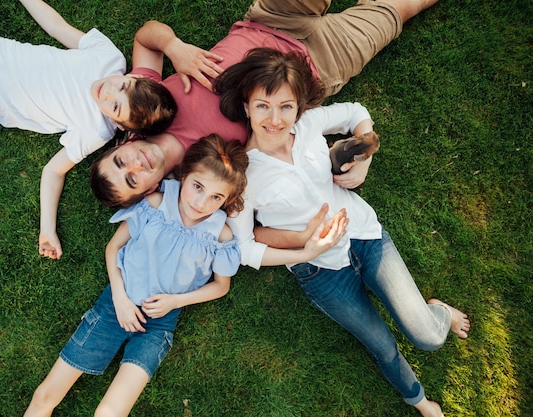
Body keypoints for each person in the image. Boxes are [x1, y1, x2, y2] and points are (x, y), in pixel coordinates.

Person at [217, 48, 471, 417]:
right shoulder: (243, 174)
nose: (275, 120)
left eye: (286, 107)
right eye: (263, 107)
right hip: (320, 271)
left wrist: (364, 158)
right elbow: (243, 247)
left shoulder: (306, 126)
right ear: (246, 107)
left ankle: (438, 313)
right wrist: (303, 251)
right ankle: (418, 399)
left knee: (429, 338)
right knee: (382, 345)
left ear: (298, 106)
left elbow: (355, 113)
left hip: (366, 237)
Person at [89, 0, 442, 209]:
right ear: (150, 189)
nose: (135, 165)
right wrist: (360, 153)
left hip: (271, 19)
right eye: (133, 180)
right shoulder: (205, 176)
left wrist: (175, 47)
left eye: (121, 162)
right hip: (320, 64)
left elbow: (146, 36)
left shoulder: (144, 111)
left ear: (124, 145)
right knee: (404, 7)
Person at [0, 0, 177, 260]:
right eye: (122, 86)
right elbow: (58, 27)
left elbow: (53, 170)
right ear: (133, 76)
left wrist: (47, 229)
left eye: (115, 108)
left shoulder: (96, 131)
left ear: (119, 126)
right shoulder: (109, 57)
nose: (107, 93)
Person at [24, 134, 264, 416]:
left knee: (110, 413)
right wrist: (120, 298)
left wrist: (176, 302)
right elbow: (113, 247)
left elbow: (220, 287)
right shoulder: (154, 205)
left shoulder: (220, 237)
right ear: (185, 176)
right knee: (45, 395)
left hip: (158, 325)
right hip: (115, 306)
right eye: (198, 187)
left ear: (227, 199)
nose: (201, 202)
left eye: (216, 197)